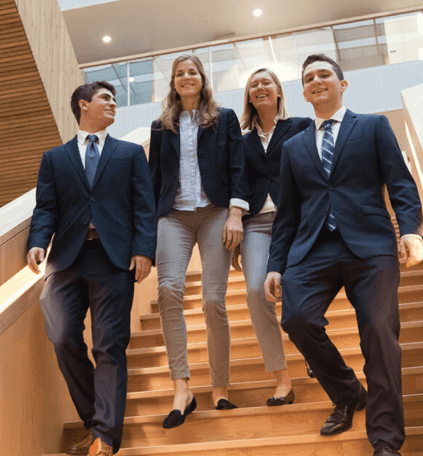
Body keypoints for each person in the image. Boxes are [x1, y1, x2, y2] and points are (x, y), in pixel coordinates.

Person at [264, 54, 423, 456]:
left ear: (342, 83)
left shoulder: (372, 126)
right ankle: (348, 391)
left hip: (371, 247)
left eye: (324, 75)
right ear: (303, 91)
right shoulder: (294, 145)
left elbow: (400, 183)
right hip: (312, 248)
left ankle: (386, 440)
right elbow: (287, 213)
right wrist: (275, 265)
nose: (316, 81)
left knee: (378, 335)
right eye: (308, 78)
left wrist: (410, 232)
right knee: (297, 319)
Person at [27, 81, 157, 456]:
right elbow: (45, 207)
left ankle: (105, 435)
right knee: (63, 336)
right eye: (106, 98)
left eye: (115, 99)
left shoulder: (130, 153)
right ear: (83, 105)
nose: (113, 103)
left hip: (113, 258)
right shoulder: (54, 158)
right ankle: (93, 419)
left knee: (109, 345)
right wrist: (38, 240)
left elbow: (144, 206)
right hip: (65, 259)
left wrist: (144, 249)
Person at [149, 54, 249, 428]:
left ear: (202, 79)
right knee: (169, 292)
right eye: (179, 74)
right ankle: (182, 389)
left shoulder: (223, 119)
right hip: (172, 216)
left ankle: (220, 387)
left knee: (212, 301)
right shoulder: (161, 126)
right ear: (173, 82)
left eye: (192, 72)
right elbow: (152, 178)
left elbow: (238, 166)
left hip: (215, 213)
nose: (186, 78)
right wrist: (150, 224)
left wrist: (236, 214)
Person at [233, 68, 311, 405]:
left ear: (278, 91)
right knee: (254, 292)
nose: (260, 87)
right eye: (254, 84)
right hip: (255, 223)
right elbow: (234, 183)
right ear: (249, 96)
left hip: (295, 220)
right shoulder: (239, 140)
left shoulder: (302, 126)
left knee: (297, 289)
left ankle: (312, 349)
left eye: (266, 82)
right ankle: (282, 378)